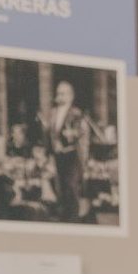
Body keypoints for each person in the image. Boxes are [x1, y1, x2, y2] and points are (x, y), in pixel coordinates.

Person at [41, 78, 95, 222]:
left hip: (72, 156)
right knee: (61, 188)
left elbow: (82, 134)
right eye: (58, 94)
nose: (59, 97)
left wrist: (71, 136)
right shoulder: (52, 113)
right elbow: (49, 133)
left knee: (71, 187)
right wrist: (48, 152)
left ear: (71, 96)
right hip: (58, 156)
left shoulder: (76, 113)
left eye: (63, 94)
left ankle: (73, 219)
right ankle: (64, 217)